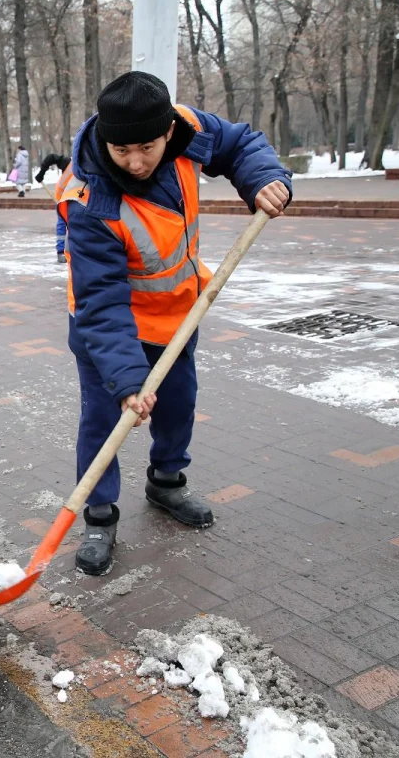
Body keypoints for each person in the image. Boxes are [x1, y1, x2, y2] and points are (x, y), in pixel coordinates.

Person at [55, 71, 291, 575]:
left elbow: (240, 143)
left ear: (167, 133)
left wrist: (264, 178)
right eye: (121, 150)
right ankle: (98, 514)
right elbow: (101, 300)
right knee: (106, 420)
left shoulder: (187, 130)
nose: (135, 162)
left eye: (146, 146)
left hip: (178, 315)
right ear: (105, 139)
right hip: (107, 328)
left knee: (179, 404)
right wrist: (126, 381)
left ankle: (167, 484)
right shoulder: (90, 200)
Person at [35, 154, 72, 263]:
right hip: (64, 199)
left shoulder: (78, 166)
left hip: (73, 198)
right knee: (63, 225)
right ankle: (61, 252)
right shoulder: (71, 164)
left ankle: (66, 251)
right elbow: (50, 157)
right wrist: (42, 172)